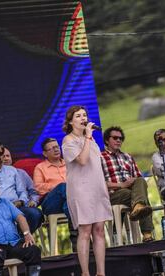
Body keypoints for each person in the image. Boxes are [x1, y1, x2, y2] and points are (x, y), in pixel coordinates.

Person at [62, 105, 112, 276]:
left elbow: (96, 166)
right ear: (70, 121)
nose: (83, 118)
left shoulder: (91, 140)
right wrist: (88, 137)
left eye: (85, 115)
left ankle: (101, 272)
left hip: (97, 187)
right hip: (81, 189)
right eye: (78, 116)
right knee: (85, 230)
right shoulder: (68, 141)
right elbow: (82, 161)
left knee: (99, 229)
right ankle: (85, 273)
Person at [0, 141, 43, 233]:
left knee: (35, 213)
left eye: (0, 153)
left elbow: (22, 192)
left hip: (15, 207)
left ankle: (20, 240)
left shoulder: (12, 170)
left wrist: (20, 201)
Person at [101, 126, 154, 242]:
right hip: (112, 195)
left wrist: (131, 183)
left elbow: (138, 178)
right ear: (106, 140)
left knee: (140, 180)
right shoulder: (100, 157)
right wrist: (122, 185)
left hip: (131, 192)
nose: (118, 140)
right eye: (115, 138)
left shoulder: (128, 156)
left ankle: (138, 206)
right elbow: (98, 184)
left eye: (121, 138)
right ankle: (147, 233)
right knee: (139, 197)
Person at [33, 138, 78, 251]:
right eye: (52, 148)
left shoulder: (69, 164)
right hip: (51, 204)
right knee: (64, 187)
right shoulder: (40, 167)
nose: (56, 149)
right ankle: (80, 233)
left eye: (57, 146)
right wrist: (57, 187)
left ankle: (77, 239)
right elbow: (38, 188)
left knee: (68, 204)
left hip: (71, 201)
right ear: (45, 153)